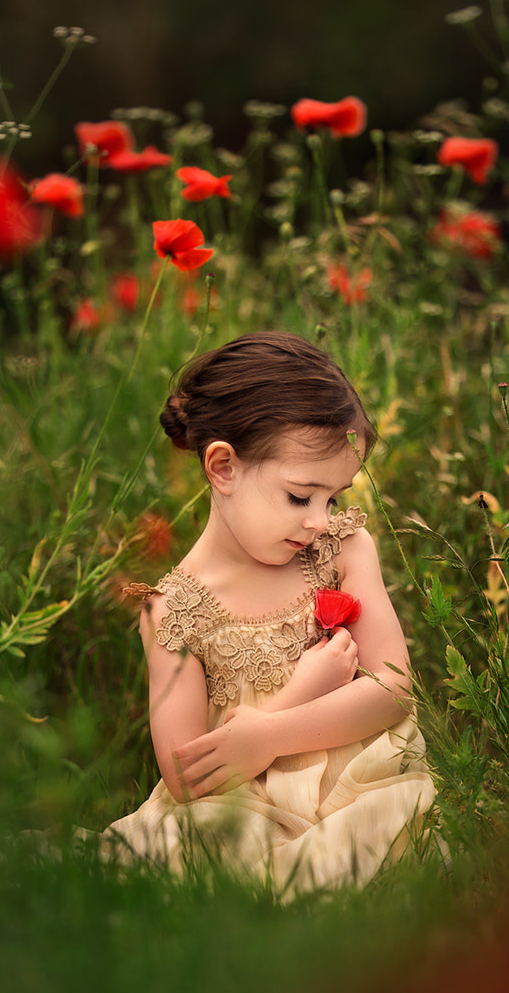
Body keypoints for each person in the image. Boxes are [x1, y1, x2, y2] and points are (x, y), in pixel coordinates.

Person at [105, 330, 436, 897]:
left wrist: (275, 730)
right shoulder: (174, 612)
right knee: (207, 856)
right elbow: (186, 779)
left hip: (352, 784)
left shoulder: (342, 550)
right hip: (240, 806)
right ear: (223, 467)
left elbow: (396, 685)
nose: (318, 520)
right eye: (299, 496)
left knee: (394, 825)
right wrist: (286, 708)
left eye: (332, 498)